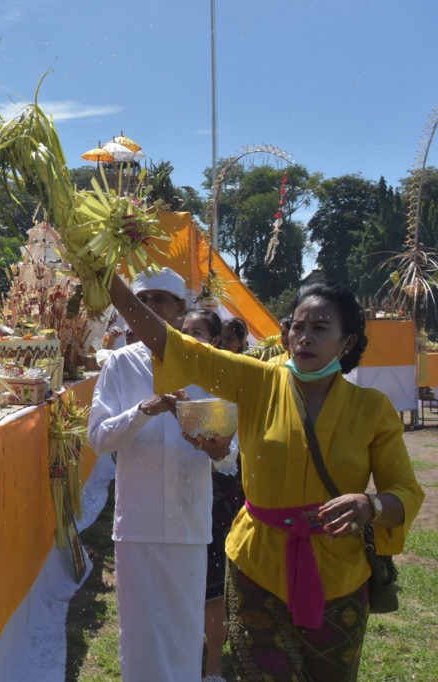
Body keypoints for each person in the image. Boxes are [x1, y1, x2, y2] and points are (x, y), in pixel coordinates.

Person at [105, 273, 424, 681]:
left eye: (320, 329)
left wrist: (370, 504)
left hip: (339, 574)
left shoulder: (372, 408)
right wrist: (108, 280)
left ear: (348, 343)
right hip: (255, 568)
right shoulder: (257, 382)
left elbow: (406, 493)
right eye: (298, 327)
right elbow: (176, 346)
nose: (304, 338)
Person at [87, 268, 235, 681]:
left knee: (184, 629)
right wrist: (142, 411)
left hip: (190, 521)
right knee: (140, 631)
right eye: (142, 300)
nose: (148, 309)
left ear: (180, 308)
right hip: (138, 521)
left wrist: (217, 449)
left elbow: (230, 451)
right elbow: (98, 439)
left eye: (159, 300)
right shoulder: (119, 364)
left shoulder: (208, 364)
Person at [181, 310, 240, 682]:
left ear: (216, 340)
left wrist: (218, 453)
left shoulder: (228, 379)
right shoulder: (165, 377)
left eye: (198, 332)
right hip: (175, 493)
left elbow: (238, 445)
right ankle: (183, 652)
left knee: (212, 583)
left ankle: (214, 663)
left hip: (218, 491)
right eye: (183, 332)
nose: (189, 338)